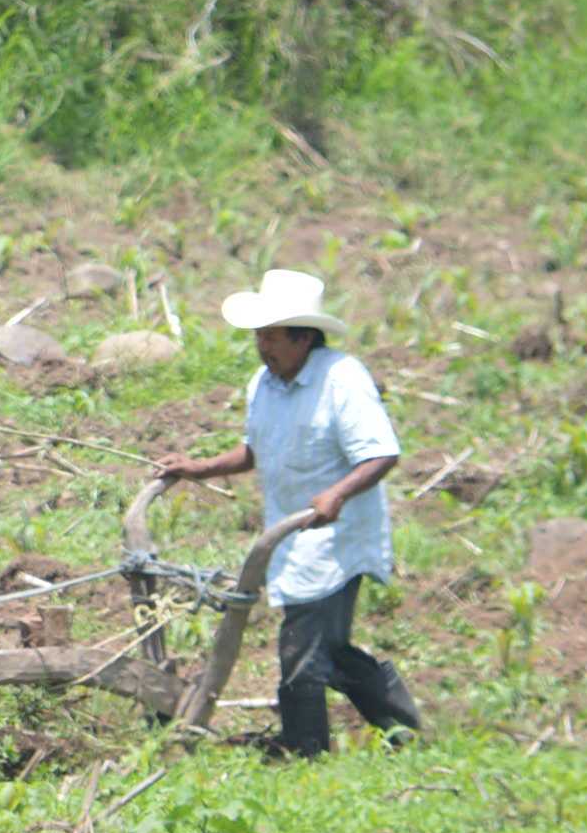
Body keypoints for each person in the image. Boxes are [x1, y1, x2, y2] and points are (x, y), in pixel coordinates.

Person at [156, 269, 420, 759]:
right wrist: (198, 468)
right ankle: (403, 730)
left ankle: (303, 751)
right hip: (290, 537)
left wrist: (336, 495)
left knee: (301, 650)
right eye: (259, 336)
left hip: (336, 540)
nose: (262, 346)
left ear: (304, 338)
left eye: (272, 336)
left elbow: (382, 453)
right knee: (332, 652)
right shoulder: (266, 383)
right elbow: (253, 452)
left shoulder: (342, 379)